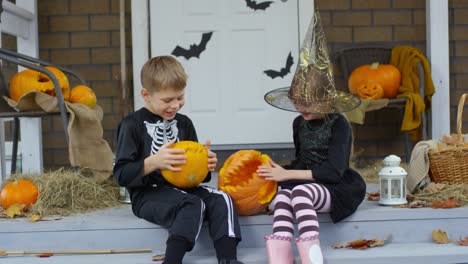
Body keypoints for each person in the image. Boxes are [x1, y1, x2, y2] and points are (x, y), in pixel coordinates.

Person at [258, 11, 366, 264]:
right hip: (309, 182)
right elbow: (302, 161)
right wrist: (281, 171)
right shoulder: (300, 123)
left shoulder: (339, 125)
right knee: (284, 195)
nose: (300, 109)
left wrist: (288, 176)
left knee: (300, 193)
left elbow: (333, 172)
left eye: (307, 104)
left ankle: (312, 256)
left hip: (337, 187)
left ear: (326, 100)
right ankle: (281, 258)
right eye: (297, 103)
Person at [113, 56, 243, 264]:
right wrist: (154, 162)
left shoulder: (184, 123)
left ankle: (228, 258)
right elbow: (121, 175)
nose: (175, 105)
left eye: (180, 98)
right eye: (167, 100)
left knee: (223, 199)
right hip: (148, 194)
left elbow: (195, 176)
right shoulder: (132, 125)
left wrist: (206, 166)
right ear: (146, 95)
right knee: (192, 204)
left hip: (184, 188)